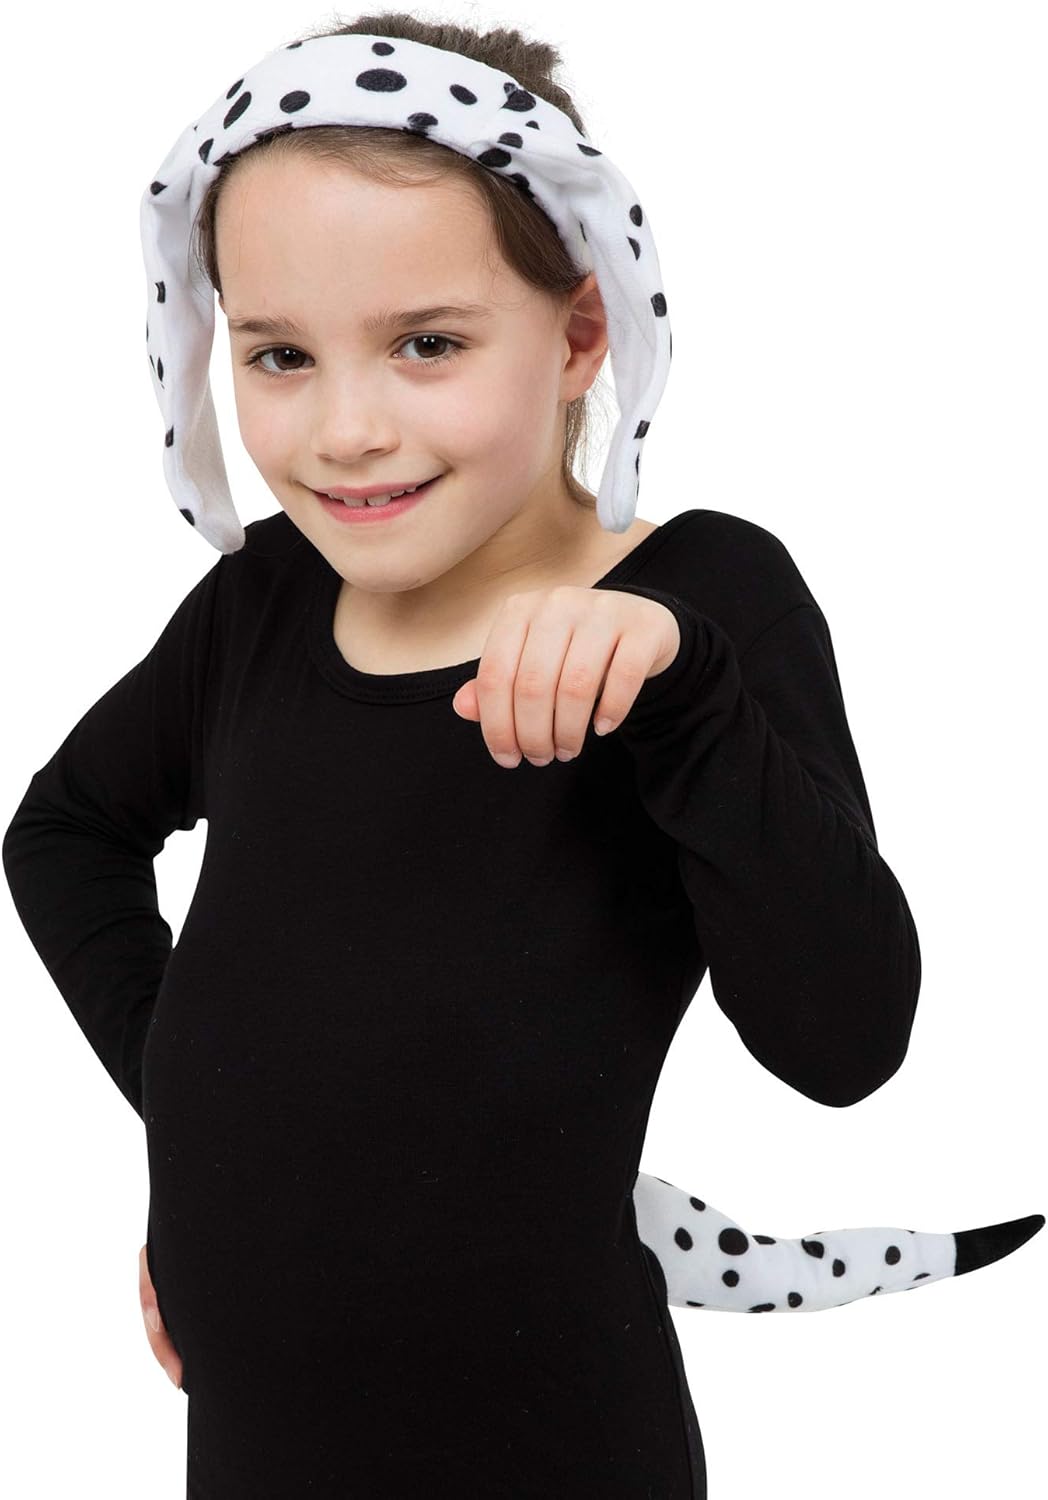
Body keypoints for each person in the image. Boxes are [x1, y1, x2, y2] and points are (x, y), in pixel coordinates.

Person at [2, 13, 1042, 1498]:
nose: (346, 430)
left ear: (579, 333)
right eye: (280, 355)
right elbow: (64, 832)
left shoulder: (704, 604)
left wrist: (686, 694)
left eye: (426, 344)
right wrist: (203, 1134)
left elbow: (845, 1040)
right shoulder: (261, 604)